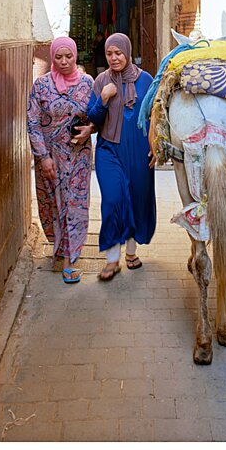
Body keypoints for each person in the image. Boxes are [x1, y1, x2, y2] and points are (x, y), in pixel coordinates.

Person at [87, 33, 156, 280]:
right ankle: (112, 260)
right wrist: (104, 99)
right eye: (109, 53)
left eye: (118, 53)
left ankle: (131, 251)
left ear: (127, 52)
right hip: (109, 150)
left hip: (139, 151)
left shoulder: (146, 80)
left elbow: (156, 115)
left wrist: (156, 145)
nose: (114, 58)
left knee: (137, 198)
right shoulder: (101, 81)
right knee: (113, 200)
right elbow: (93, 118)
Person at [27, 36, 94, 284]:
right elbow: (32, 122)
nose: (64, 62)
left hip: (79, 154)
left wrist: (91, 128)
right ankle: (59, 245)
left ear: (75, 56)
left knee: (74, 203)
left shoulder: (88, 83)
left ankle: (70, 258)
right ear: (52, 58)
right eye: (58, 57)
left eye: (69, 56)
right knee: (52, 203)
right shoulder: (41, 86)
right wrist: (43, 157)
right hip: (50, 155)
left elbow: (97, 115)